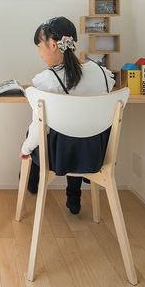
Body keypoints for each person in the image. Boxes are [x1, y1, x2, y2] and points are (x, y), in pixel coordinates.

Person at [20, 16, 115, 214]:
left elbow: (39, 129)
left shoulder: (47, 80)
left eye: (39, 46)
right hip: (95, 154)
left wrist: (25, 148)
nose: (39, 53)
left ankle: (32, 182)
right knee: (78, 129)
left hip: (60, 157)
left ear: (53, 45)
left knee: (37, 136)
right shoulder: (102, 74)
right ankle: (73, 195)